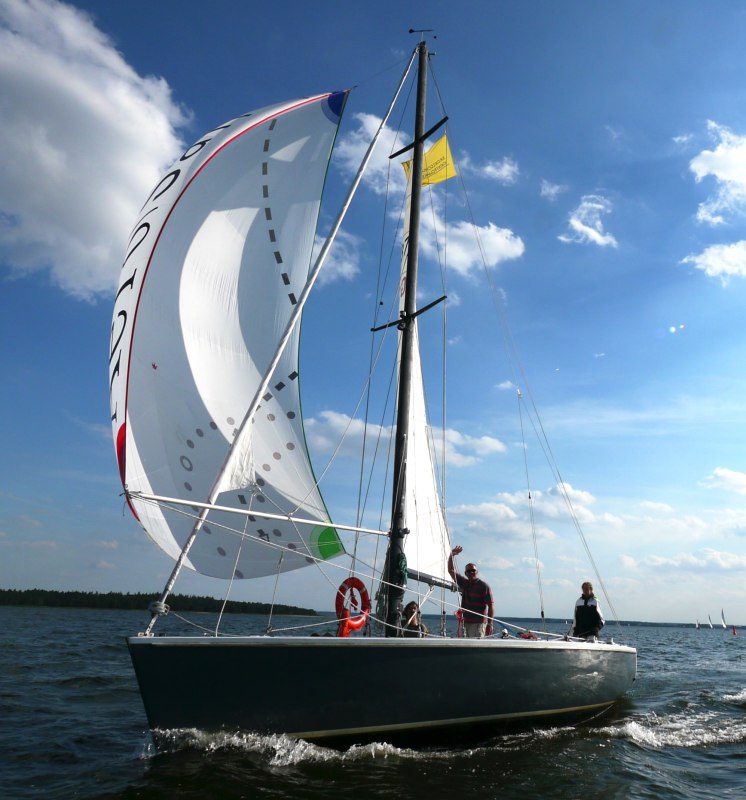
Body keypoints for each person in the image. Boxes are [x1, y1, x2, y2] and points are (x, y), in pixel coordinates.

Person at [447, 545, 494, 637]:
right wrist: (451, 555)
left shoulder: (484, 586)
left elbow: (491, 606)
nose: (471, 572)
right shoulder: (464, 583)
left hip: (479, 623)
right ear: (465, 573)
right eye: (469, 571)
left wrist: (490, 624)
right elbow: (451, 571)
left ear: (477, 572)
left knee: (476, 645)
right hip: (466, 622)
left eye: (473, 570)